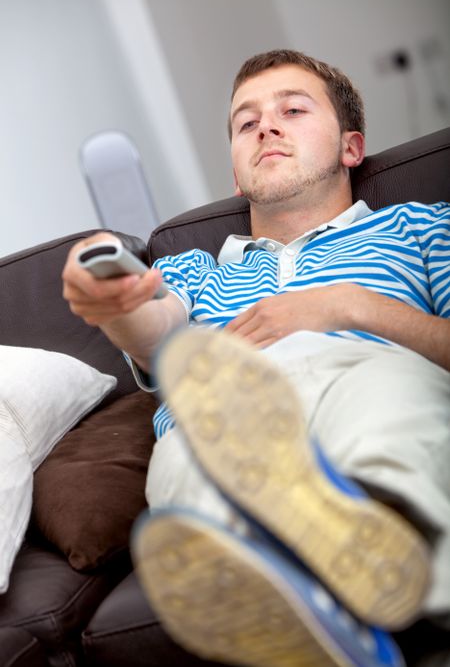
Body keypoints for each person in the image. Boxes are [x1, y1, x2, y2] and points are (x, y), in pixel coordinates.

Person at [62, 49, 450, 666]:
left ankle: (353, 569)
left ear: (352, 148)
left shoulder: (424, 229)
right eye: (246, 123)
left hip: (364, 375)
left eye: (292, 110)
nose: (266, 126)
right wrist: (115, 297)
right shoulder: (192, 269)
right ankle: (332, 591)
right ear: (237, 177)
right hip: (223, 416)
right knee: (187, 451)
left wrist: (350, 307)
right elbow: (159, 329)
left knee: (389, 407)